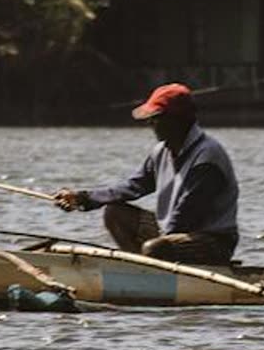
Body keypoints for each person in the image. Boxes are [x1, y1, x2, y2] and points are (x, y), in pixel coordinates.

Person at [54, 82, 240, 267]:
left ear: (177, 120)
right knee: (114, 212)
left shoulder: (207, 157)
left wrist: (160, 243)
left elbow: (187, 214)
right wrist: (83, 198)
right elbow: (133, 186)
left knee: (156, 248)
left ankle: (150, 272)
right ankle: (143, 269)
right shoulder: (161, 151)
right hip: (172, 231)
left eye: (156, 118)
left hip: (212, 241)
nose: (151, 123)